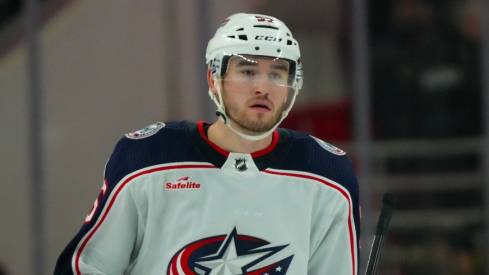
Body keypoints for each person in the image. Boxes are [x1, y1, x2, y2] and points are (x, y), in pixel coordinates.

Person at [54, 13, 360, 275]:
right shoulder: (147, 158)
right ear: (214, 79)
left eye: (277, 73)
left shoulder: (328, 175)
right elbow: (87, 267)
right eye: (248, 71)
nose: (263, 87)